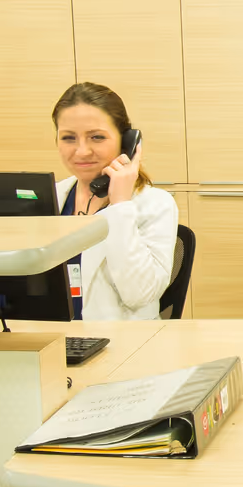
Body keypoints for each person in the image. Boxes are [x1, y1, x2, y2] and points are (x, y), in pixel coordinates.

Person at [52, 82, 178, 321]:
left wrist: (120, 205)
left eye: (96, 137)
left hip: (122, 345)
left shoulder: (154, 205)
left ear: (127, 142)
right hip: (55, 341)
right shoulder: (53, 199)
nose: (81, 151)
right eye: (69, 138)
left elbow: (140, 295)